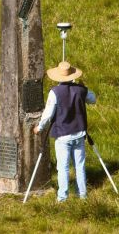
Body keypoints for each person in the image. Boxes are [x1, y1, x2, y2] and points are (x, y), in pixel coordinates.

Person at [34, 61, 96, 202]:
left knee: (63, 168)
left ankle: (62, 198)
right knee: (79, 166)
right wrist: (83, 87)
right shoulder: (81, 90)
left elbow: (48, 114)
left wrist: (39, 127)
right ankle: (83, 196)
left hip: (63, 136)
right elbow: (93, 99)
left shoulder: (55, 92)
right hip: (79, 133)